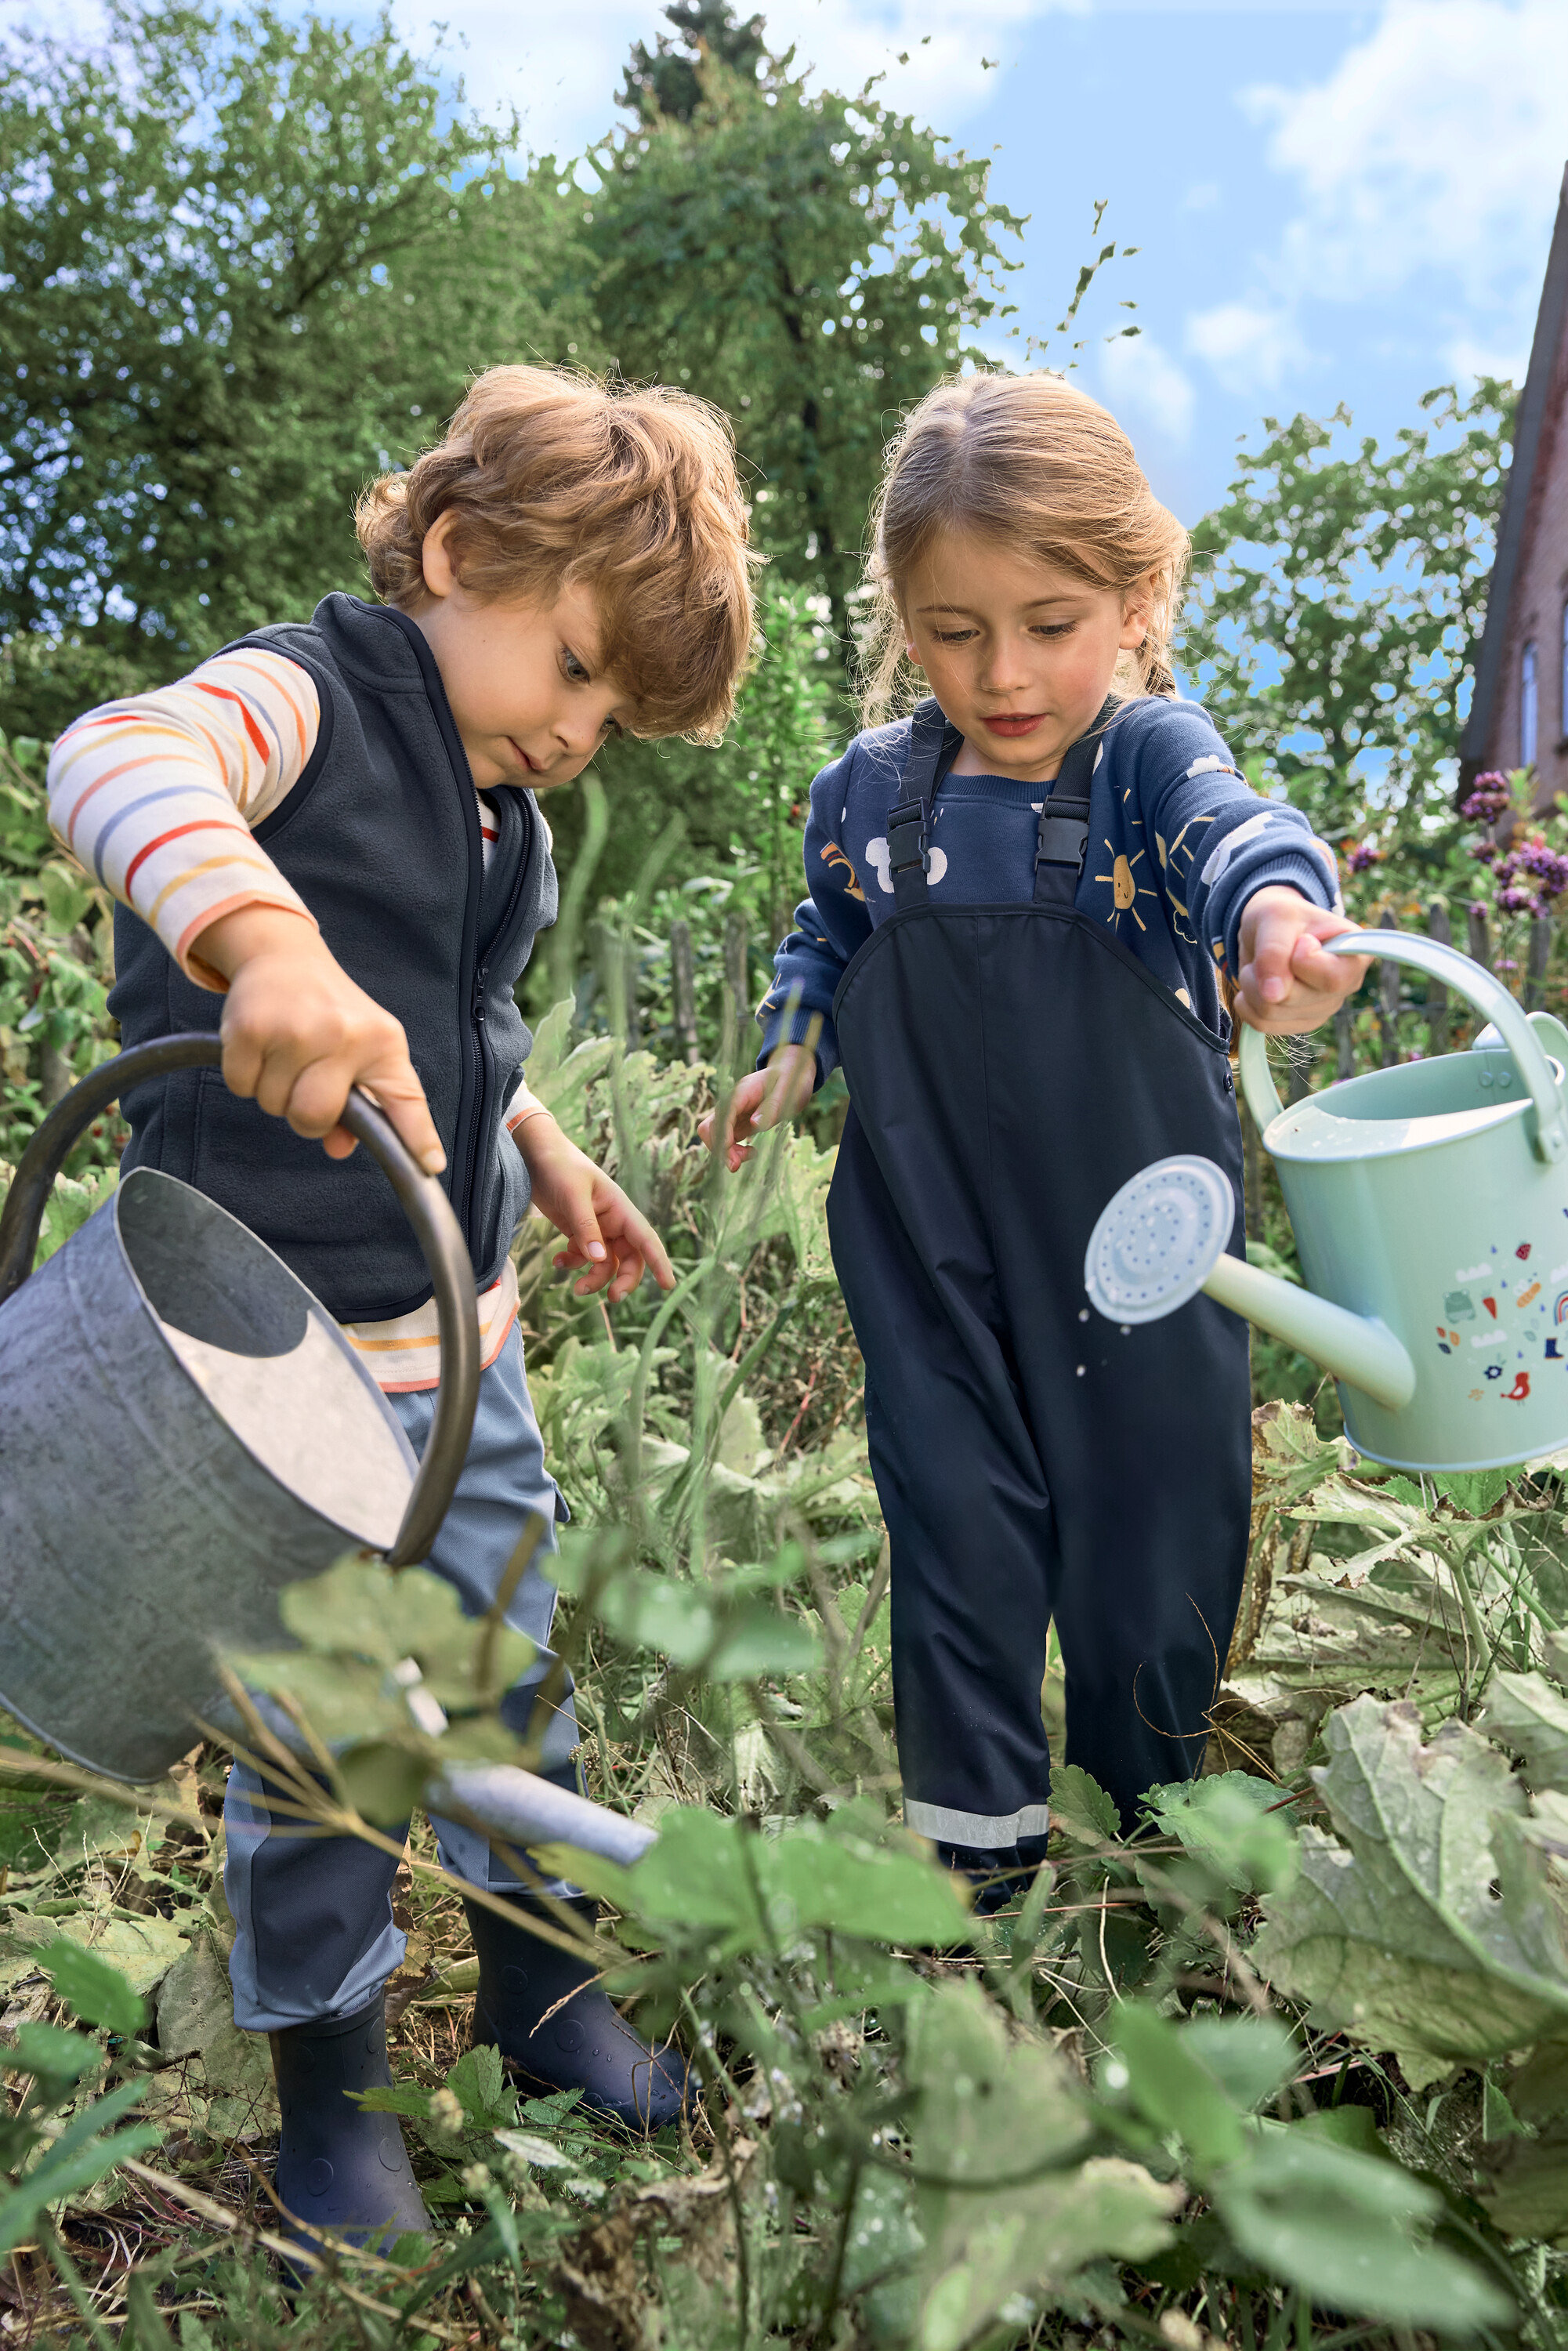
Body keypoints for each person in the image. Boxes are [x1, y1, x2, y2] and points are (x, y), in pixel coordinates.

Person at [46, 366, 755, 2241]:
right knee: (329, 1735)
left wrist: (542, 1145)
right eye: (579, 667)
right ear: (458, 553)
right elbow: (114, 756)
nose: (585, 730)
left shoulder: (499, 816)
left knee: (513, 1679)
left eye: (616, 711)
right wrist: (257, 937)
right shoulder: (313, 696)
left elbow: (449, 1030)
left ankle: (544, 1994)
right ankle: (331, 2096)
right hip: (257, 1388)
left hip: (462, 1364)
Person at [703, 371, 1364, 1907]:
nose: (1000, 673)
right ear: (900, 612)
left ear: (1135, 603)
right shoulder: (863, 794)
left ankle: (1147, 1849)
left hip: (1143, 1248)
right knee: (956, 1530)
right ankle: (979, 1875)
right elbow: (825, 934)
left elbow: (1234, 832)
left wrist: (1276, 919)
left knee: (1148, 1537)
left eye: (1047, 624)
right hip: (928, 1247)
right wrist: (790, 1045)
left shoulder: (1139, 766)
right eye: (951, 630)